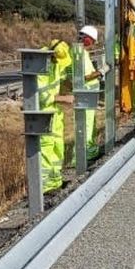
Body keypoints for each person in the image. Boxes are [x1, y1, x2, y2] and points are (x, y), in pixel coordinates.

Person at [36, 37, 73, 192]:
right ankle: (45, 188)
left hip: (55, 114)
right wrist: (64, 98)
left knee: (58, 148)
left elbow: (60, 82)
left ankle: (56, 182)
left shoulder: (55, 63)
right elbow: (43, 97)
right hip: (43, 116)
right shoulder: (40, 68)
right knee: (46, 151)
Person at [75, 25, 107, 161]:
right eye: (93, 41)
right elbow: (86, 76)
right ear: (88, 40)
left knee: (91, 123)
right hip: (85, 95)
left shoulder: (82, 53)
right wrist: (101, 72)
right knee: (86, 124)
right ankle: (85, 153)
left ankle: (90, 149)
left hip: (89, 95)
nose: (93, 45)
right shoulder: (80, 54)